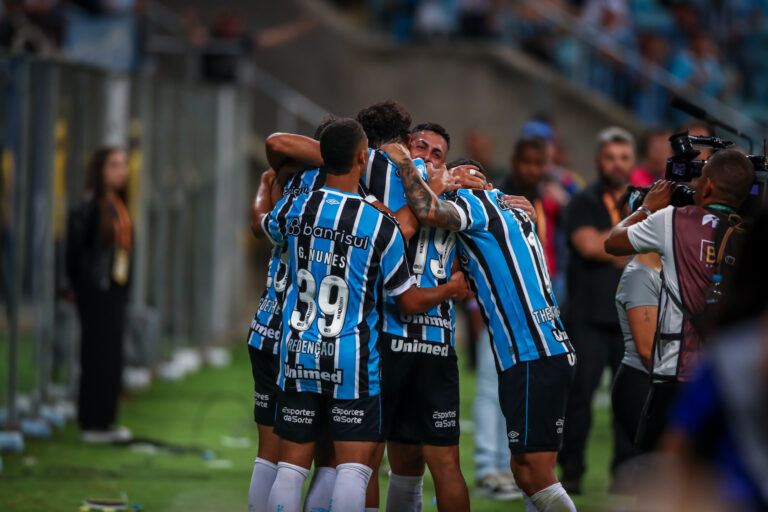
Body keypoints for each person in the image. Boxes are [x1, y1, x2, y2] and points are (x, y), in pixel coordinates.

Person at [262, 119, 469, 512]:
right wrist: (450, 290)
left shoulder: (294, 205)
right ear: (363, 157)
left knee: (290, 468)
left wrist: (272, 186)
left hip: (297, 350)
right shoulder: (379, 225)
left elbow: (267, 227)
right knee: (354, 470)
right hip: (351, 356)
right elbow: (406, 297)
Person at [388, 144, 578, 512]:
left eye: (454, 172)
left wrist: (407, 167)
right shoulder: (514, 211)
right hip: (545, 349)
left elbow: (426, 209)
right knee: (525, 470)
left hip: (531, 353)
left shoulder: (477, 204)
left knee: (535, 473)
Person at [604, 149, 755, 452]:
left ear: (708, 185)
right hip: (733, 378)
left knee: (662, 480)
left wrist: (647, 208)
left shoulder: (672, 219)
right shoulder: (754, 235)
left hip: (678, 376)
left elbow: (614, 241)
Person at [246, 115, 337, 512]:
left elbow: (259, 225)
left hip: (267, 326)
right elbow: (276, 139)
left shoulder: (291, 188)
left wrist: (266, 185)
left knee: (271, 450)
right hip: (310, 336)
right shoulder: (341, 191)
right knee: (328, 455)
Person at [559, 127, 635, 491]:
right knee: (579, 400)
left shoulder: (642, 202)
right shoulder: (584, 200)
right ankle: (572, 471)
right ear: (597, 161)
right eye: (610, 157)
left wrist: (616, 245)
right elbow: (589, 245)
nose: (616, 164)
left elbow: (604, 244)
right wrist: (635, 246)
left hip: (630, 320)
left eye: (623, 157)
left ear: (632, 161)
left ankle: (625, 473)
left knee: (629, 401)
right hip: (587, 318)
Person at [65, 147, 133, 443]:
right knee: (95, 354)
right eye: (114, 165)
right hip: (95, 293)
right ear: (100, 170)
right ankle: (91, 422)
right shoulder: (88, 207)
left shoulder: (118, 204)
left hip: (114, 292)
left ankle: (106, 421)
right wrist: (77, 289)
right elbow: (76, 254)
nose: (122, 170)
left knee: (111, 355)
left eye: (124, 164)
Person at [610, 186, 661, 488]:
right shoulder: (640, 274)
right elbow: (647, 349)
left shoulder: (663, 267)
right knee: (657, 477)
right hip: (642, 383)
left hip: (653, 381)